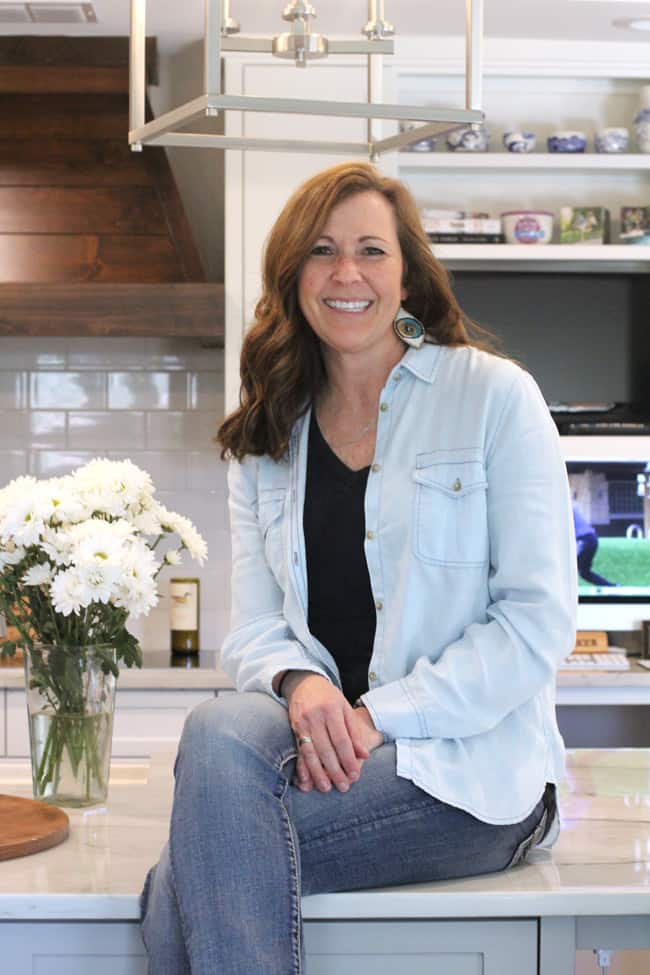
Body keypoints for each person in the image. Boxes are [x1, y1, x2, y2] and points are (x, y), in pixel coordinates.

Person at [140, 161, 577, 974]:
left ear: (406, 272)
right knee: (216, 727)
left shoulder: (493, 397)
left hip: (468, 774)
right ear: (293, 274)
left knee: (182, 880)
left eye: (372, 250)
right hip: (326, 753)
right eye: (322, 252)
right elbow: (257, 627)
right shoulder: (270, 432)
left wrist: (379, 715)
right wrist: (303, 688)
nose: (347, 274)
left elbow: (535, 624)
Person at [573, 502, 615, 587]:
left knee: (571, 567)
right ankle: (611, 587)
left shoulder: (565, 509)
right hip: (591, 539)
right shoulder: (571, 506)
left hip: (584, 540)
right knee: (584, 572)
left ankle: (611, 587)